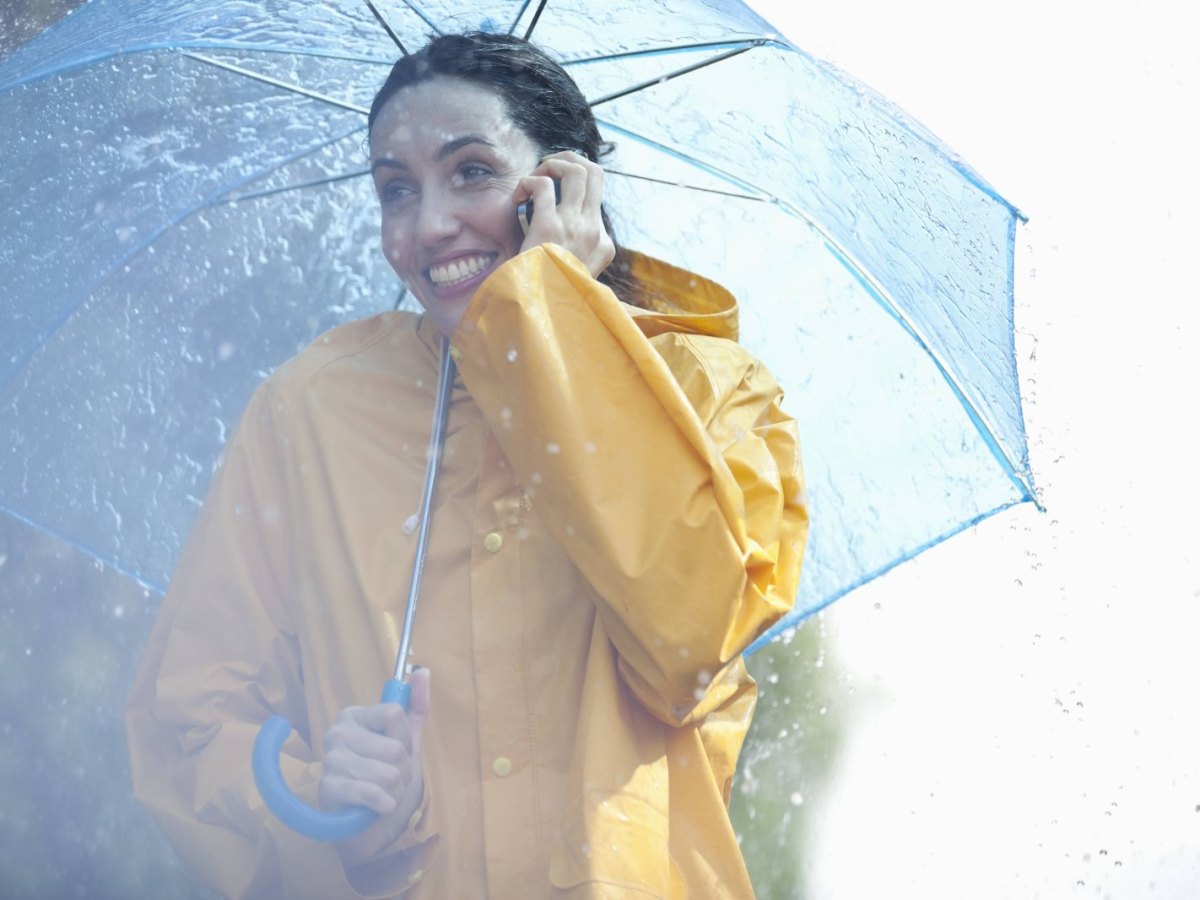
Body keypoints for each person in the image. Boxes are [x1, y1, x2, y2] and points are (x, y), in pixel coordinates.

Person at [126, 31, 807, 899]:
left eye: (473, 171)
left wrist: (553, 324)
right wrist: (318, 795)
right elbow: (188, 718)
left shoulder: (715, 395)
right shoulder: (309, 413)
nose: (429, 224)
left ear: (566, 186)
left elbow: (688, 644)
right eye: (395, 190)